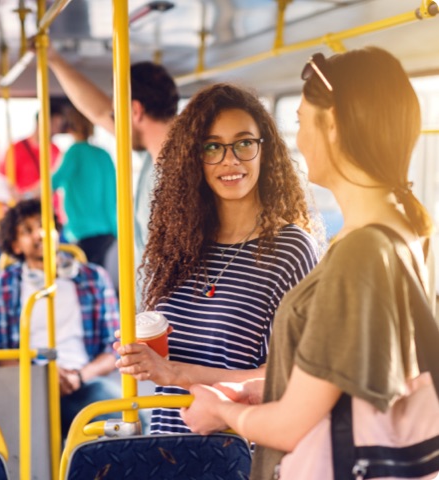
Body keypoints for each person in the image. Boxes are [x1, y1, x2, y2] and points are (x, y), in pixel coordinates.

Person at [180, 47, 434, 479]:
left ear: (331, 124)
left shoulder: (359, 255)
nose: (297, 139)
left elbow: (292, 426)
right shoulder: (403, 231)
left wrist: (222, 411)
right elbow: (350, 380)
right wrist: (264, 390)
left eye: (300, 120)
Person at [115, 83, 320, 435]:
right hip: (167, 446)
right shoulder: (181, 244)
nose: (231, 159)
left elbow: (292, 376)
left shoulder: (290, 250)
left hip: (235, 452)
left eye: (244, 143)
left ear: (264, 151)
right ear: (194, 158)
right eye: (213, 146)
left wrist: (177, 373)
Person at [46, 48, 179, 294]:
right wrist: (53, 58)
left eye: (119, 111)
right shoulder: (155, 156)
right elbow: (97, 112)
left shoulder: (179, 172)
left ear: (136, 111)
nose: (113, 118)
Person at [0, 198, 122, 436]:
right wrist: (43, 376)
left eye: (43, 224)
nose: (39, 233)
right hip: (28, 382)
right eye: (27, 231)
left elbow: (114, 348)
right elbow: (0, 351)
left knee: (125, 420)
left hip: (84, 380)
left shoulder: (94, 278)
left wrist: (78, 377)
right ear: (16, 245)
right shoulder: (3, 286)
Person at [52, 104, 117, 270]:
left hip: (83, 230)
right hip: (109, 230)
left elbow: (52, 184)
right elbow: (114, 194)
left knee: (86, 279)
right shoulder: (104, 154)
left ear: (69, 126)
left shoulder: (74, 152)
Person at [0, 98, 68, 218]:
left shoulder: (56, 150)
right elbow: (5, 185)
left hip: (51, 213)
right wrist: (25, 196)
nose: (57, 130)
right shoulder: (15, 149)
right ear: (42, 121)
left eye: (59, 126)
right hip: (27, 214)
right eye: (55, 125)